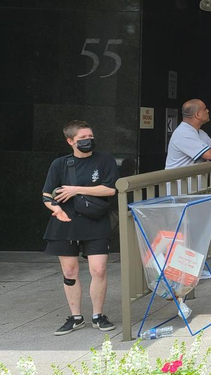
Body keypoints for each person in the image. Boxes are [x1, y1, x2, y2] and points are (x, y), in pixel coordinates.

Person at [41, 120, 119, 335]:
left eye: (90, 137)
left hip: (95, 220)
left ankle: (98, 315)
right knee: (69, 271)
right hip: (65, 221)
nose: (88, 141)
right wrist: (56, 210)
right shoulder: (60, 164)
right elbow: (47, 195)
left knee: (99, 269)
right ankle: (76, 317)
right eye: (82, 138)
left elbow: (110, 190)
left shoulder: (105, 159)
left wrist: (76, 189)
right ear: (70, 141)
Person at [166, 99, 211, 280]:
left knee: (194, 232)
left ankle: (194, 271)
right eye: (205, 109)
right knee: (182, 234)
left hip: (194, 191)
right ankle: (179, 276)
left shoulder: (198, 132)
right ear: (198, 114)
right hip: (180, 192)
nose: (208, 111)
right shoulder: (183, 133)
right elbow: (210, 154)